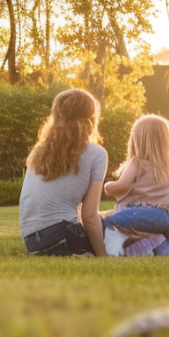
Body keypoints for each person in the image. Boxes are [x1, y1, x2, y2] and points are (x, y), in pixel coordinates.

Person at [19, 88, 109, 256]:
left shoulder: (39, 151)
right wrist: (103, 257)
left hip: (32, 243)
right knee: (112, 227)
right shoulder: (97, 154)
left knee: (103, 222)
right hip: (64, 236)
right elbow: (89, 216)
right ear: (91, 118)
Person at [102, 114, 169, 257]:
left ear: (137, 141)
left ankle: (107, 252)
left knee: (107, 221)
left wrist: (108, 186)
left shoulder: (137, 163)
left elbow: (122, 186)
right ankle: (167, 253)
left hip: (139, 213)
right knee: (153, 237)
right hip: (162, 219)